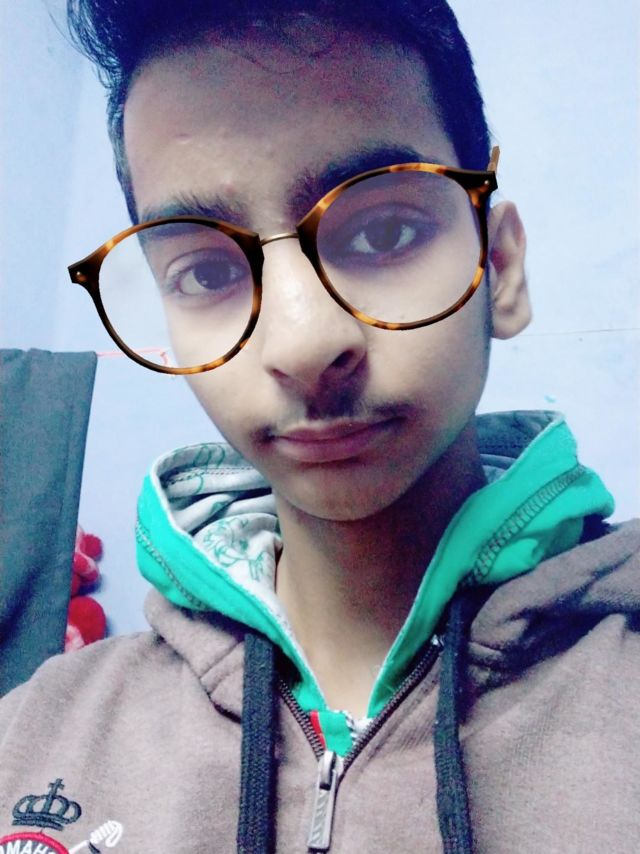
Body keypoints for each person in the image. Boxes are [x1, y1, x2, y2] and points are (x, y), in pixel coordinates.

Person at [1, 2, 639, 852]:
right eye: (205, 273)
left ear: (500, 266)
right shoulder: (36, 733)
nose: (301, 344)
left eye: (384, 231)